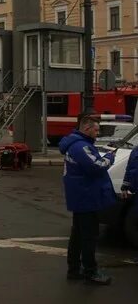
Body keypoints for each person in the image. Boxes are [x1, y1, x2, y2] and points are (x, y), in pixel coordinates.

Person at [59, 115, 117, 285]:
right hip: (86, 198)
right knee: (89, 237)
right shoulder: (81, 147)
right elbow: (96, 167)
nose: (97, 133)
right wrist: (110, 158)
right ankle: (91, 272)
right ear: (86, 129)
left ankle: (74, 269)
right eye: (96, 130)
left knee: (78, 235)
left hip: (80, 197)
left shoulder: (74, 144)